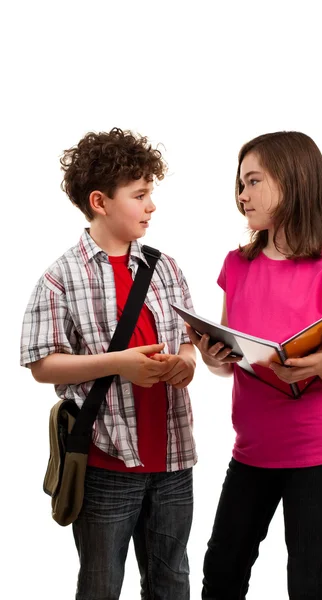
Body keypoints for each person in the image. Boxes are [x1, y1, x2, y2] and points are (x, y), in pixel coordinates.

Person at [20, 128, 197, 600]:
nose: (151, 206)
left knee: (173, 584)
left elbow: (187, 344)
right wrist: (119, 364)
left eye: (150, 194)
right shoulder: (61, 277)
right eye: (139, 195)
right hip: (106, 463)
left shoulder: (167, 267)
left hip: (174, 460)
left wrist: (185, 362)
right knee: (101, 587)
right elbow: (42, 364)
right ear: (100, 201)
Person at [187, 131, 322, 600]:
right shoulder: (235, 265)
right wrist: (212, 357)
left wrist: (321, 363)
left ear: (293, 182)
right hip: (252, 453)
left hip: (318, 456)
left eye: (253, 181)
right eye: (239, 183)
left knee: (309, 582)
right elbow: (230, 362)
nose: (242, 195)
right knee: (221, 572)